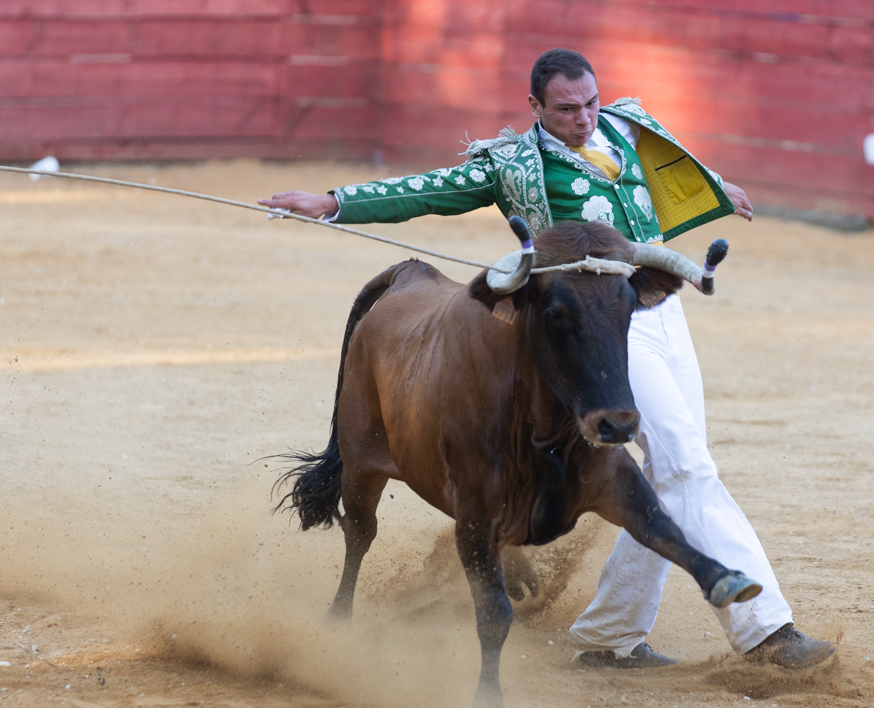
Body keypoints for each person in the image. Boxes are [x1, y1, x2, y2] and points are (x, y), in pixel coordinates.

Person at [259, 48, 834, 669]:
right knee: (685, 465)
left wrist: (716, 187)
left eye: (590, 102)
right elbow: (428, 190)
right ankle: (766, 629)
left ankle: (612, 638)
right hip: (589, 330)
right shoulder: (515, 165)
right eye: (566, 109)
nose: (584, 118)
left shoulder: (624, 126)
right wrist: (333, 202)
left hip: (654, 308)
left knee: (674, 471)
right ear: (535, 107)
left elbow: (662, 179)